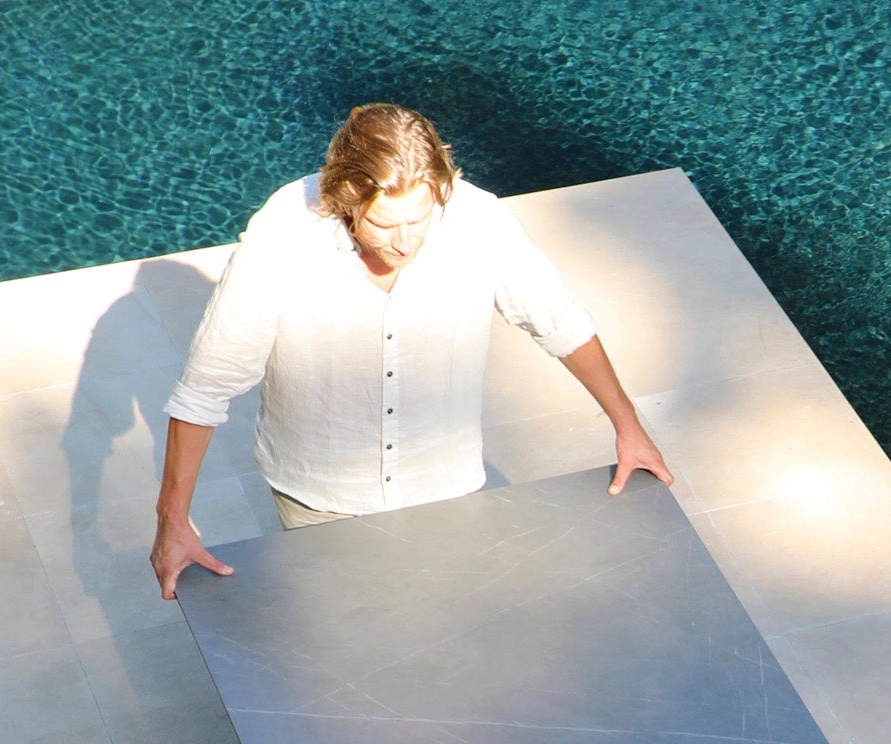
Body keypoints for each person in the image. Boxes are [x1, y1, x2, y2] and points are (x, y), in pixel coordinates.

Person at [151, 103, 671, 597]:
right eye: (383, 224)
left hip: (446, 484)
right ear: (346, 200)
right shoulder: (285, 233)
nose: (405, 242)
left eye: (418, 219)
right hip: (320, 496)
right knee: (339, 636)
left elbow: (560, 324)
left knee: (447, 630)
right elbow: (205, 388)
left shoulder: (478, 220)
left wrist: (629, 426)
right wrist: (172, 522)